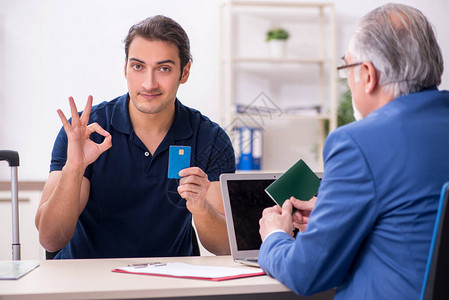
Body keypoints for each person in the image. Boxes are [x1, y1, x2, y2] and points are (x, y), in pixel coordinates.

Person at [258, 3, 449, 299]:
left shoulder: (358, 143)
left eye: (346, 69)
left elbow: (306, 272)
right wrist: (329, 216)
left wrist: (274, 237)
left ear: (368, 75)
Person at [35, 15, 235, 259]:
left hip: (172, 281)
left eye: (164, 69)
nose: (149, 84)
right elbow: (50, 239)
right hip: (87, 280)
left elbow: (225, 247)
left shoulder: (209, 139)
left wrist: (201, 208)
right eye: (138, 67)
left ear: (184, 72)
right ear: (125, 68)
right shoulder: (84, 132)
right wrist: (74, 168)